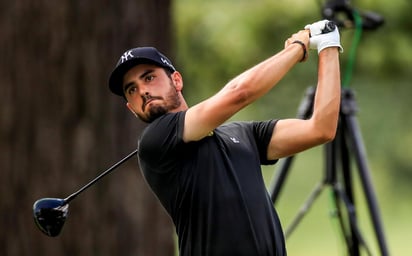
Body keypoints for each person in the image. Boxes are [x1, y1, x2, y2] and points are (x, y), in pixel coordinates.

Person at [108, 20, 343, 256]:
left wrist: (328, 46)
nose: (142, 91)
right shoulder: (154, 141)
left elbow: (321, 129)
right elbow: (239, 94)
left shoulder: (242, 134)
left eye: (149, 78)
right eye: (132, 89)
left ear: (176, 80)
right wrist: (298, 47)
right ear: (132, 108)